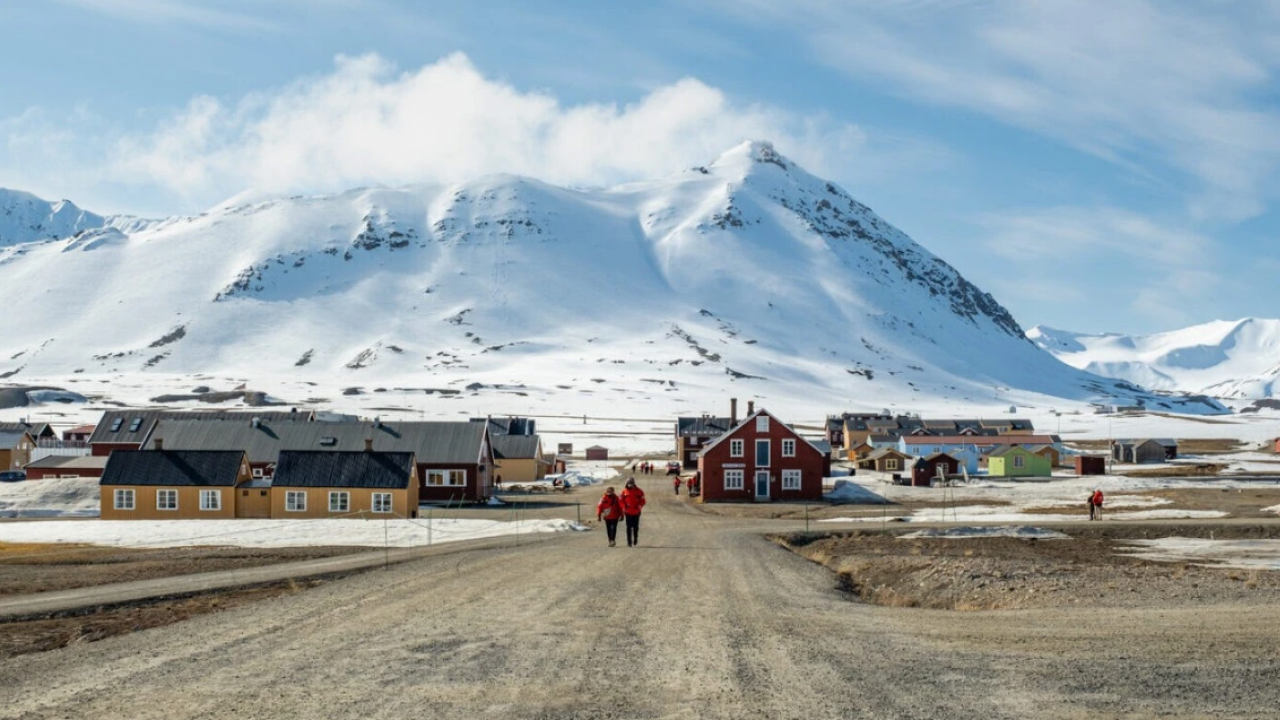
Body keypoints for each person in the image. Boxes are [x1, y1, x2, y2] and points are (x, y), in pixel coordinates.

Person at [620, 477, 646, 547]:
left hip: (636, 512)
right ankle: (629, 542)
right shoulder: (624, 491)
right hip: (628, 512)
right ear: (626, 483)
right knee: (628, 527)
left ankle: (635, 538)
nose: (630, 485)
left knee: (635, 527)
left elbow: (643, 501)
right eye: (628, 483)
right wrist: (624, 507)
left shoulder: (639, 491)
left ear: (634, 483)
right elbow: (621, 500)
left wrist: (639, 506)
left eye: (631, 483)